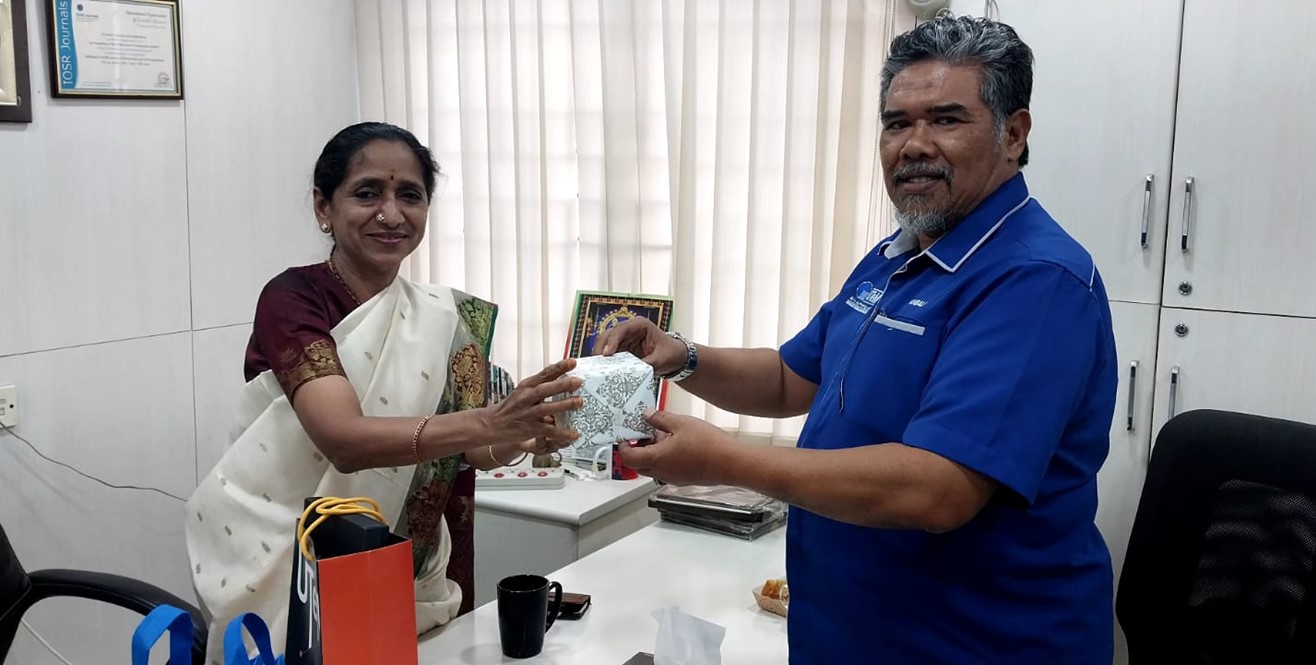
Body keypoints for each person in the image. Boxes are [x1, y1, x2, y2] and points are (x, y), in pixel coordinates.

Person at [596, 16, 1118, 664]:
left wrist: (723, 460)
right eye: (897, 123)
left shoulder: (1035, 279)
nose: (914, 145)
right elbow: (790, 377)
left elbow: (937, 488)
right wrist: (682, 357)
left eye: (946, 120)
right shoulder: (899, 254)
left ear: (1013, 134)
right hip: (856, 632)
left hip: (977, 645)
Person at [185, 122, 583, 661]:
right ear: (324, 207)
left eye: (410, 196)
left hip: (408, 569)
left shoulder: (447, 316)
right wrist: (489, 421)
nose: (391, 214)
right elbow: (343, 440)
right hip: (292, 559)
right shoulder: (293, 299)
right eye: (367, 193)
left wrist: (522, 433)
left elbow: (470, 451)